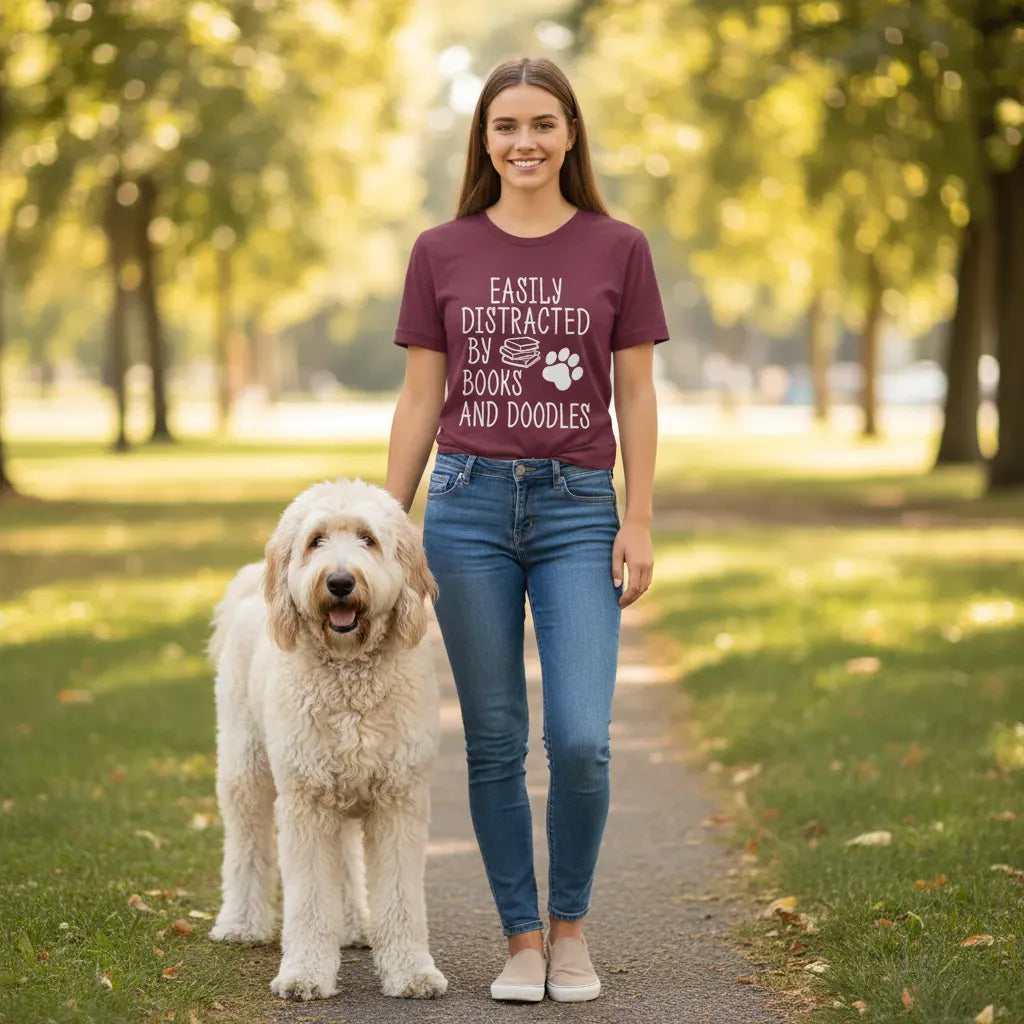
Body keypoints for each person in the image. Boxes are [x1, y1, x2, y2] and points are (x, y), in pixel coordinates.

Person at [383, 55, 669, 1004]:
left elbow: (636, 394)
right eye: (506, 127)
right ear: (485, 141)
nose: (525, 143)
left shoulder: (618, 246)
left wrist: (639, 519)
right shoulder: (442, 250)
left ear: (571, 134)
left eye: (543, 124)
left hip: (579, 509)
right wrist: (392, 523)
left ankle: (571, 928)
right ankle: (519, 940)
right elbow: (422, 398)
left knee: (582, 737)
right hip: (465, 507)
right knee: (494, 737)